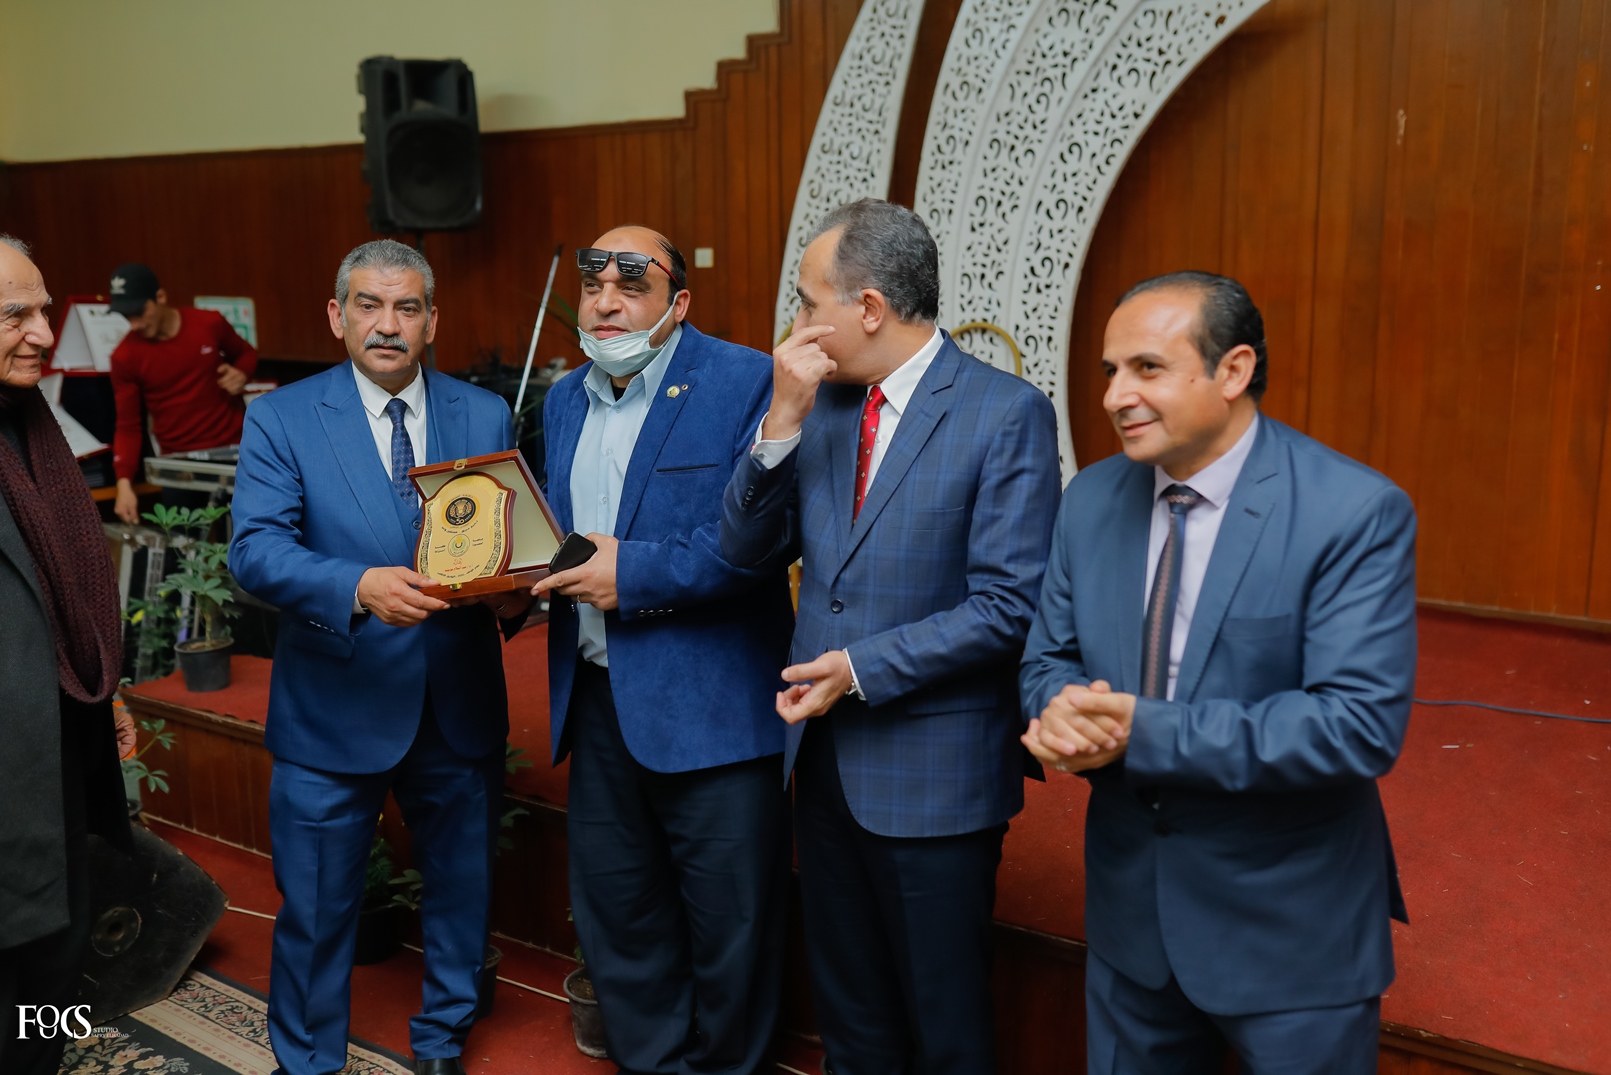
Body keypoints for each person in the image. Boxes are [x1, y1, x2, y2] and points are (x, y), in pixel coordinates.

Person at [1019, 272, 1416, 1073]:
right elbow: (1046, 658)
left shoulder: (1351, 511)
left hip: (1288, 930)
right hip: (1130, 921)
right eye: (1109, 372)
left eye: (1147, 368)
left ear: (1232, 370)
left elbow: (1355, 726)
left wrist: (1139, 731)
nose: (1115, 397)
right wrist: (1057, 709)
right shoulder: (1089, 499)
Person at [720, 199, 1062, 1074]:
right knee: (852, 1016)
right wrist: (779, 422)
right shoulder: (821, 406)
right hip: (822, 762)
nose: (796, 325)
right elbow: (744, 550)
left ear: (867, 307)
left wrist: (858, 667)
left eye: (807, 304)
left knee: (944, 1024)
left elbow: (1007, 605)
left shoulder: (1004, 412)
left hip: (935, 771)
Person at [229, 240, 530, 1075]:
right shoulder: (283, 416)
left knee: (461, 891)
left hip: (456, 700)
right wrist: (357, 585)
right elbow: (254, 550)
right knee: (316, 905)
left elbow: (505, 542)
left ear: (432, 320)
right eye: (368, 305)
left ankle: (441, 1040)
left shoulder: (484, 413)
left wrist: (518, 589)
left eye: (406, 308)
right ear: (338, 316)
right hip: (335, 702)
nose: (387, 324)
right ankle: (308, 1059)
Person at [533, 227, 795, 1074]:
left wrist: (633, 574)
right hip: (597, 698)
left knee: (732, 925)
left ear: (677, 302)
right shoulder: (563, 399)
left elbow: (759, 543)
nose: (606, 302)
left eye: (631, 285)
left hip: (713, 709)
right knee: (620, 915)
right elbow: (558, 542)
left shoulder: (745, 380)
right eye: (593, 285)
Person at [0, 234, 135, 1075]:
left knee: (57, 959)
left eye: (44, 310)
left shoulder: (30, 420)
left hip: (56, 753)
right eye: (16, 314)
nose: (46, 334)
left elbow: (65, 588)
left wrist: (105, 688)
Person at [108, 262, 258, 523]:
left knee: (244, 537)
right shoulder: (125, 356)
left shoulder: (208, 323)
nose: (134, 324)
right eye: (126, 316)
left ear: (160, 297)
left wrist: (241, 373)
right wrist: (124, 483)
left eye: (139, 312)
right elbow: (128, 426)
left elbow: (246, 353)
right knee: (182, 542)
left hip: (234, 453)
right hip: (179, 464)